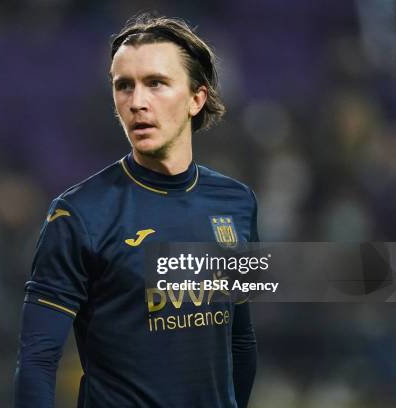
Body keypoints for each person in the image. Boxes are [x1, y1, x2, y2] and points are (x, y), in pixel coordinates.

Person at [14, 14, 258, 408]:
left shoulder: (237, 202)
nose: (137, 102)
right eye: (123, 86)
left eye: (156, 83)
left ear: (197, 98)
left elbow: (241, 339)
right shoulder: (78, 215)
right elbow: (38, 360)